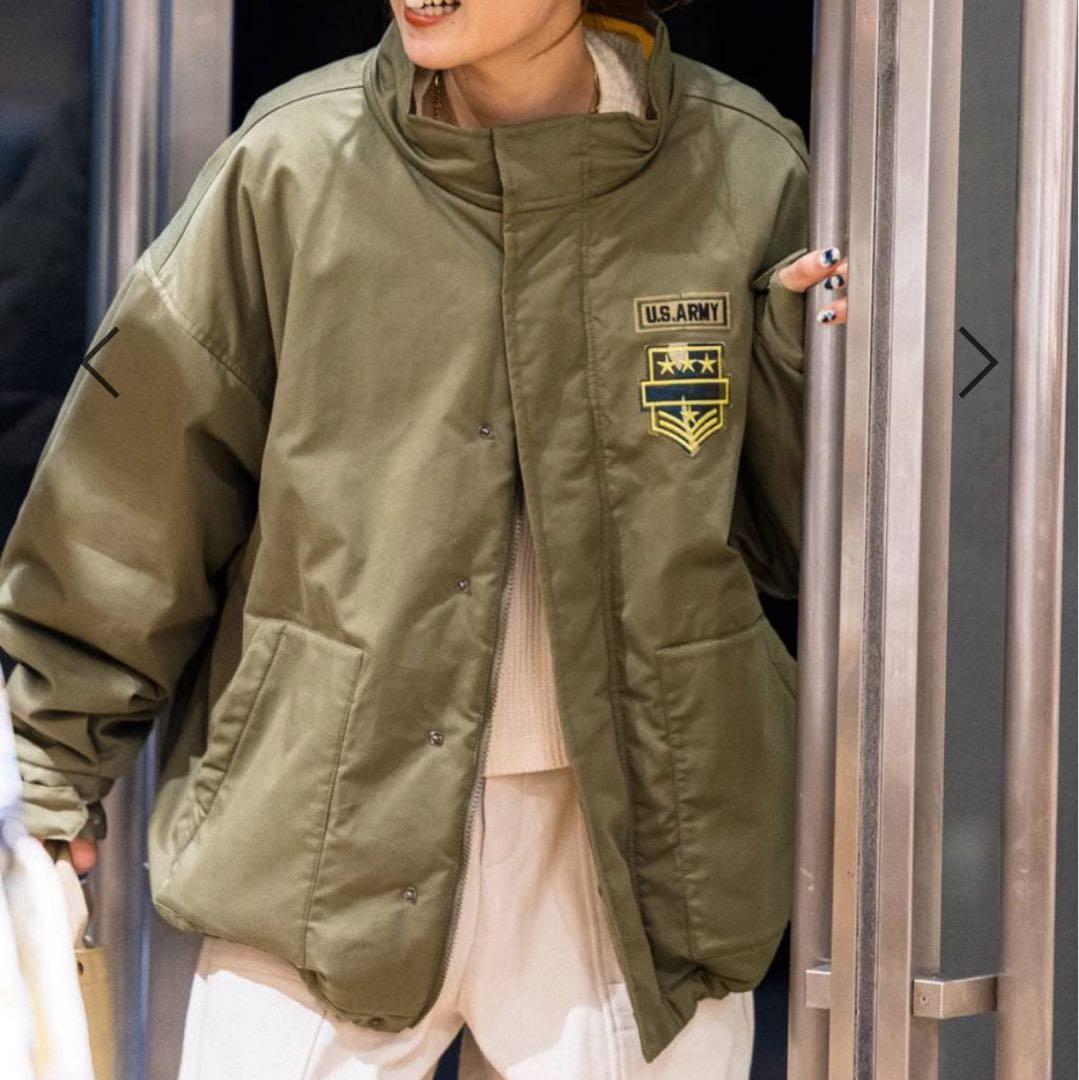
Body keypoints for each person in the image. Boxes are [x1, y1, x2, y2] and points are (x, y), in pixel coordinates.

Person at [0, 0, 848, 1075]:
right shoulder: (293, 162)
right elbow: (134, 497)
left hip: (641, 860)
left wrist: (800, 370)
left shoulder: (744, 166)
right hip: (318, 836)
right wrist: (48, 767)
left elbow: (795, 543)